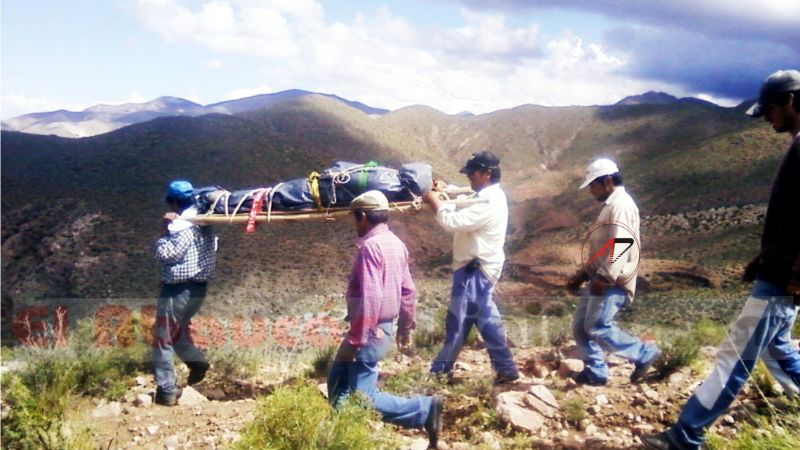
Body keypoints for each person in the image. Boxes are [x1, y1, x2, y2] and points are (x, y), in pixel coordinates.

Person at [643, 70, 800, 450]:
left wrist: (795, 273)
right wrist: (758, 258)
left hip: (783, 278)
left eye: (771, 109)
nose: (767, 118)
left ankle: (685, 436)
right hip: (778, 271)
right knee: (774, 343)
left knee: (735, 353)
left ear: (792, 102)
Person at [327, 190, 443, 449]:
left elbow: (371, 295)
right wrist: (405, 327)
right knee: (338, 380)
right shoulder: (396, 243)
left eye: (355, 218)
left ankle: (423, 410)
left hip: (368, 330)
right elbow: (408, 290)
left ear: (364, 217)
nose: (355, 224)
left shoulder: (370, 247)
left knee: (360, 397)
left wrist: (359, 337)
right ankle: (342, 435)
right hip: (381, 328)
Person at [423, 151, 520, 384]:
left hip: (474, 269)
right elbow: (468, 195)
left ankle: (440, 372)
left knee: (459, 322)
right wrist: (446, 189)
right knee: (483, 319)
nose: (470, 178)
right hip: (477, 267)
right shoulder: (490, 195)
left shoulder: (488, 201)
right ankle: (506, 369)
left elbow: (452, 221)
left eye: (473, 173)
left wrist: (433, 199)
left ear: (486, 174)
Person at [565, 159, 660, 386]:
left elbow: (622, 242)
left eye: (593, 185)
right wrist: (583, 274)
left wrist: (605, 278)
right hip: (600, 277)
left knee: (597, 327)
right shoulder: (611, 205)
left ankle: (643, 352)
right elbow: (604, 247)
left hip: (612, 280)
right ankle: (596, 371)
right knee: (580, 327)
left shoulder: (622, 205)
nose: (591, 191)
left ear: (607, 181)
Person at [152, 180, 217, 406]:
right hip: (199, 289)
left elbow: (166, 254)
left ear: (174, 202)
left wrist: (163, 231)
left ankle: (166, 390)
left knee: (163, 338)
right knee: (176, 333)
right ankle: (197, 363)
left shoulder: (181, 227)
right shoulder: (204, 222)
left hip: (179, 289)